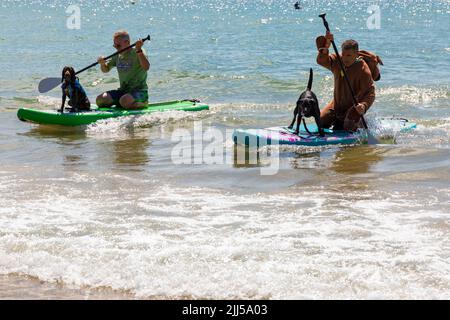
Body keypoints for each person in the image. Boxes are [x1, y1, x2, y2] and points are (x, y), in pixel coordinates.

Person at [316, 31, 375, 131]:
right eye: (343, 54)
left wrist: (364, 106)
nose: (345, 58)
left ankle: (360, 122)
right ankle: (338, 121)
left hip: (354, 108)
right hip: (336, 106)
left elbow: (371, 93)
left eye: (349, 55)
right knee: (320, 122)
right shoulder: (337, 60)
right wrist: (325, 48)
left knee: (348, 127)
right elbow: (322, 61)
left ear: (356, 54)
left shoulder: (364, 71)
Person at [96, 30, 150, 109]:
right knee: (100, 100)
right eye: (115, 46)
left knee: (124, 100)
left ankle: (143, 103)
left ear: (127, 43)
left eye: (118, 46)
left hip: (139, 91)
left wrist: (139, 50)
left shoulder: (137, 51)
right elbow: (106, 70)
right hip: (123, 91)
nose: (116, 48)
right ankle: (124, 103)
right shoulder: (118, 55)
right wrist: (102, 63)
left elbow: (146, 67)